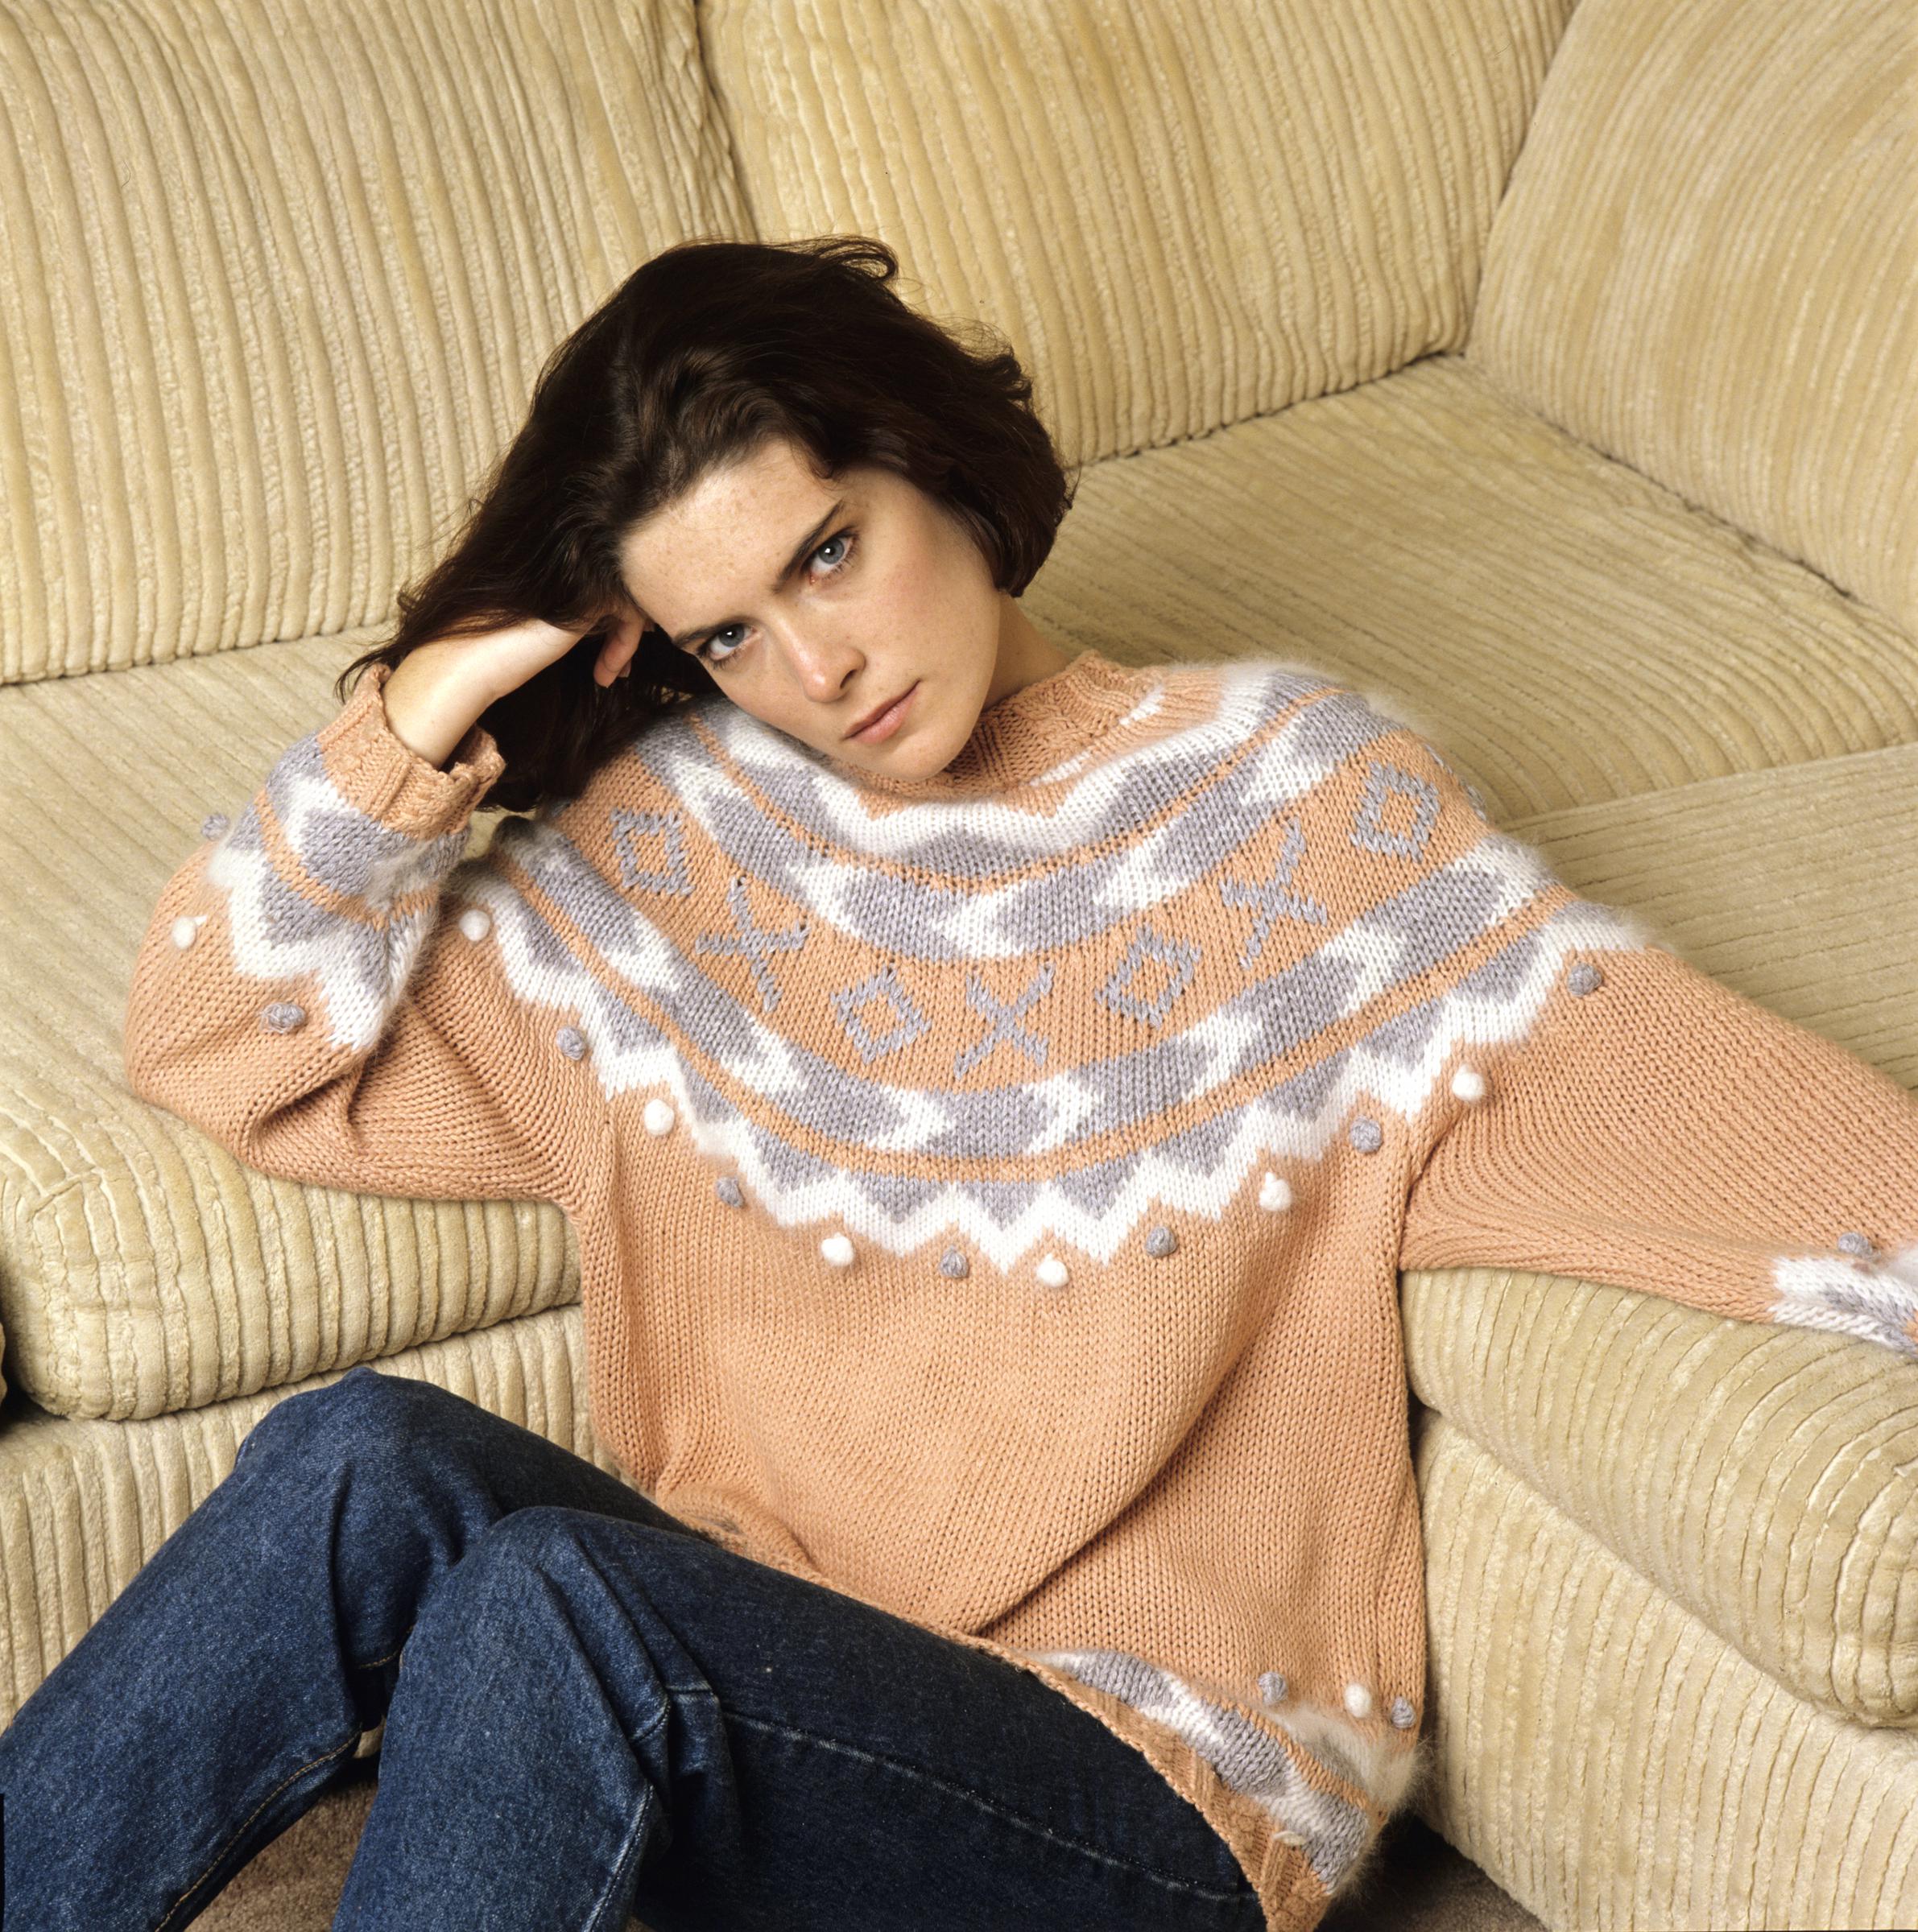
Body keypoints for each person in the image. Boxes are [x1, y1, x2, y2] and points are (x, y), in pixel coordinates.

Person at [0, 236, 1271, 1932]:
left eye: (832, 553)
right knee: (355, 1459)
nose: (820, 669)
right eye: (730, 629)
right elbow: (215, 1033)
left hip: (1146, 1785)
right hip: (777, 1675)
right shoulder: (667, 881)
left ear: (943, 470)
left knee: (566, 1603)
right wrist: (428, 701)